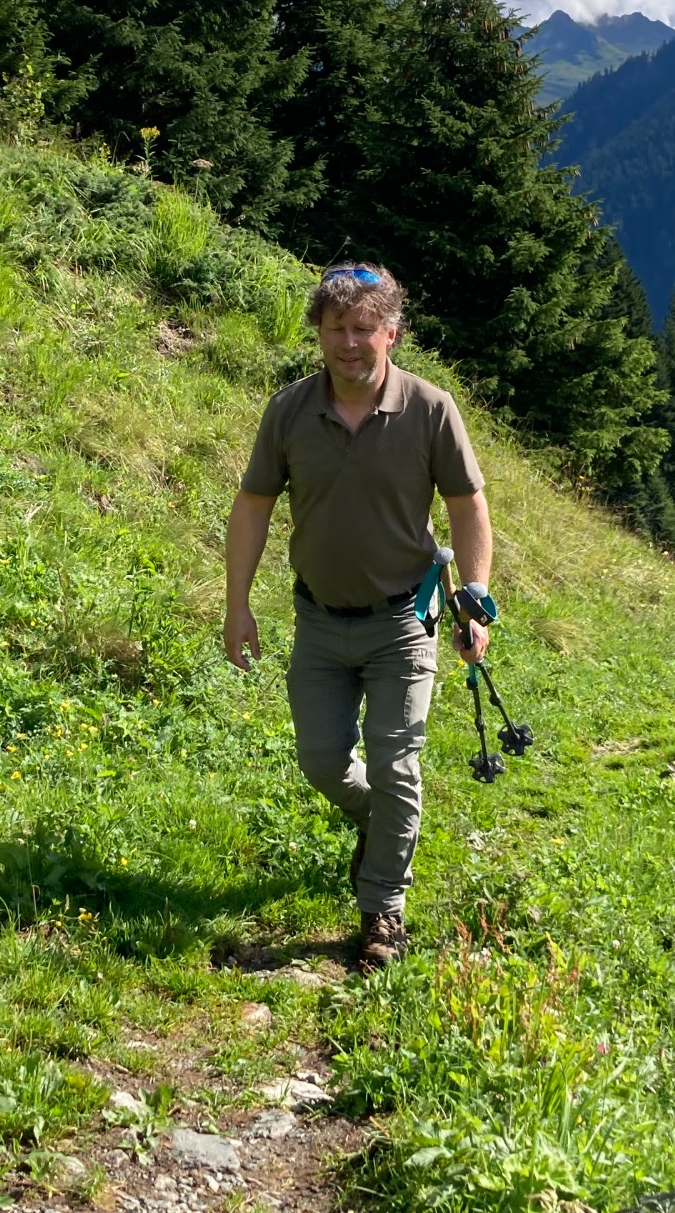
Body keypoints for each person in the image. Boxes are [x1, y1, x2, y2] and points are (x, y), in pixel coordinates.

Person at [223, 264, 492, 970]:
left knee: (395, 764)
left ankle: (382, 911)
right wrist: (237, 603)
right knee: (321, 762)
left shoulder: (431, 410)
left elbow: (468, 506)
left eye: (364, 328)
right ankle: (384, 834)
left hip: (405, 617)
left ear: (391, 334)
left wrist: (475, 592)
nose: (350, 343)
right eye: (336, 328)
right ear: (318, 333)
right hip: (317, 620)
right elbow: (253, 506)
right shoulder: (288, 411)